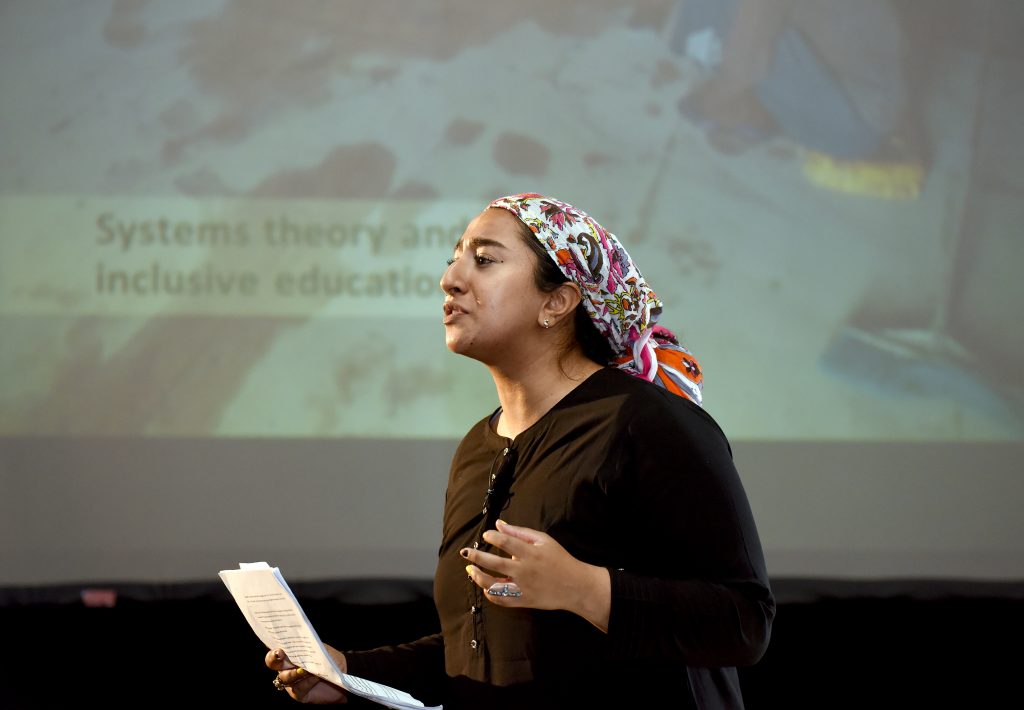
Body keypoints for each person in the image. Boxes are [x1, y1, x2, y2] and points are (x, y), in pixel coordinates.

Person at [266, 193, 775, 708]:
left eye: (484, 260)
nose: (451, 279)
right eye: (454, 258)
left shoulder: (649, 424)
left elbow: (745, 621)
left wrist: (583, 588)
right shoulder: (476, 448)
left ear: (557, 302)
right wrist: (350, 673)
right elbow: (481, 652)